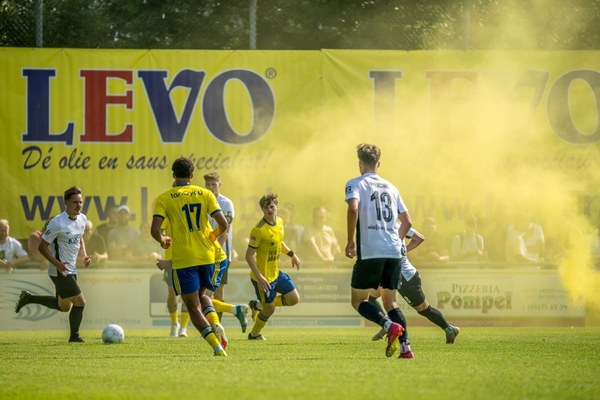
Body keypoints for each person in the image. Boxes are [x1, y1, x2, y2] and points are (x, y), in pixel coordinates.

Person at [150, 157, 229, 356]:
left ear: (173, 175)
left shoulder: (165, 198)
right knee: (204, 297)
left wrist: (163, 240)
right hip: (207, 256)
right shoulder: (205, 194)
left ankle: (216, 346)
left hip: (184, 260)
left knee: (193, 307)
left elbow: (154, 229)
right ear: (192, 176)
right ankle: (216, 323)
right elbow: (223, 224)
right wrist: (210, 238)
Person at [344, 143, 411, 359]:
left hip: (371, 249)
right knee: (390, 302)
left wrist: (349, 241)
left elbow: (353, 208)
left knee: (359, 301)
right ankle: (406, 349)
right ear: (379, 164)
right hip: (393, 250)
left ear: (359, 164)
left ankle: (387, 324)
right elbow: (407, 222)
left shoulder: (355, 184)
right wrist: (394, 240)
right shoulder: (392, 187)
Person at [15, 186, 92, 342]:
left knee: (64, 307)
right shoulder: (57, 223)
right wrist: (57, 264)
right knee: (80, 302)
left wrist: (83, 255)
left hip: (71, 269)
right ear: (66, 203)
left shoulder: (82, 219)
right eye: (75, 202)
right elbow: (41, 247)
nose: (78, 205)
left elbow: (79, 238)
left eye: (81, 202)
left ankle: (28, 298)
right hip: (59, 271)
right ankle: (74, 337)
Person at [370, 227, 460, 344]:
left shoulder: (383, 228)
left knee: (424, 309)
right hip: (395, 273)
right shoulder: (399, 226)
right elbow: (419, 238)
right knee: (369, 297)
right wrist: (404, 250)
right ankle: (387, 324)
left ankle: (449, 329)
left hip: (405, 277)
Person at [245, 193, 301, 340]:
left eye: (272, 206)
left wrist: (292, 255)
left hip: (276, 273)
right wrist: (259, 277)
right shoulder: (258, 230)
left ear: (276, 206)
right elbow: (248, 255)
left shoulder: (280, 222)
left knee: (294, 299)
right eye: (266, 207)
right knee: (269, 309)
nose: (270, 209)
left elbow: (279, 243)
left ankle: (258, 305)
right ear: (262, 210)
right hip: (263, 279)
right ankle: (254, 334)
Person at [203, 172, 247, 326]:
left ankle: (217, 326)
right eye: (207, 184)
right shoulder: (200, 200)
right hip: (202, 253)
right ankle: (226, 316)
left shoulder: (226, 203)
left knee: (217, 292)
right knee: (202, 293)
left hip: (220, 254)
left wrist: (212, 248)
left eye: (213, 184)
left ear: (219, 185)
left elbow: (224, 230)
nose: (210, 187)